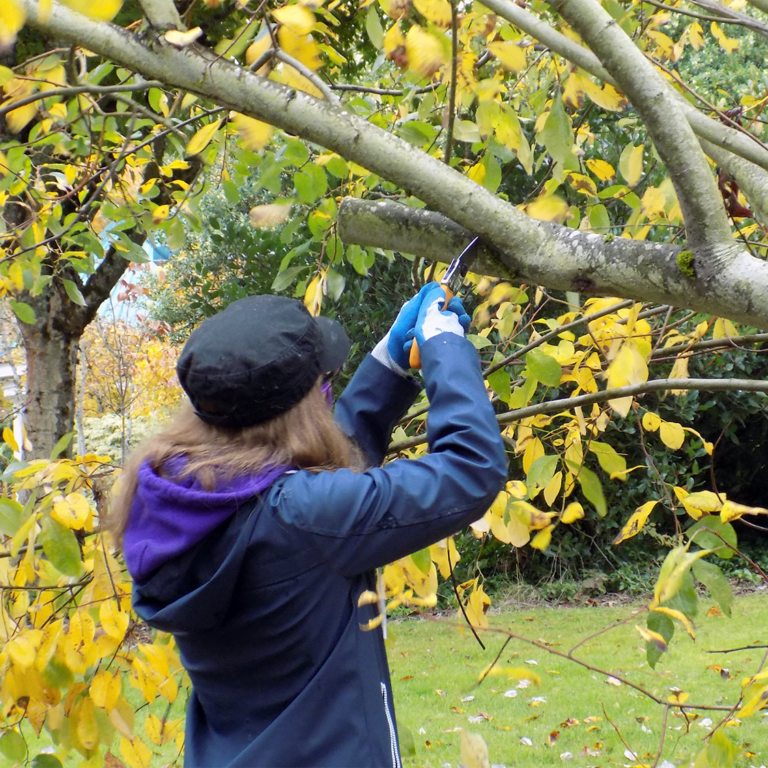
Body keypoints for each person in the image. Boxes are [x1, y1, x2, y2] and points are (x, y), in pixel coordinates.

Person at [111, 282, 507, 768]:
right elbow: (469, 469)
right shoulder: (301, 516)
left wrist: (389, 366)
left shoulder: (179, 498)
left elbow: (313, 486)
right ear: (306, 407)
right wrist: (447, 348)